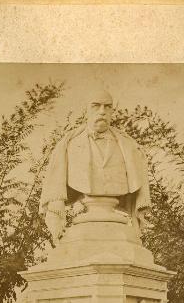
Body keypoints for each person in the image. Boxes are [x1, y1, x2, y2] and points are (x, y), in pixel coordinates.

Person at [40, 88, 151, 243]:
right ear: (86, 110)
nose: (102, 111)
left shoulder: (129, 148)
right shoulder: (69, 147)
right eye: (96, 106)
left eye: (107, 106)